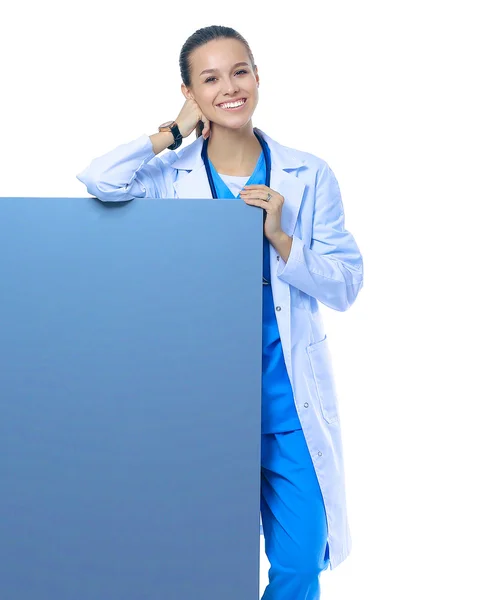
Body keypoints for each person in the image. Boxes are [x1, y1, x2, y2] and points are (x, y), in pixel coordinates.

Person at [76, 24, 364, 600]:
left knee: (300, 561)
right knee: (205, 566)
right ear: (189, 92)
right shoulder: (168, 178)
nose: (230, 87)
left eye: (240, 72)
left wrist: (282, 238)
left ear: (258, 77)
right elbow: (99, 180)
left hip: (288, 406)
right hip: (205, 410)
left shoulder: (308, 174)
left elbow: (346, 285)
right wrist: (172, 133)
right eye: (209, 79)